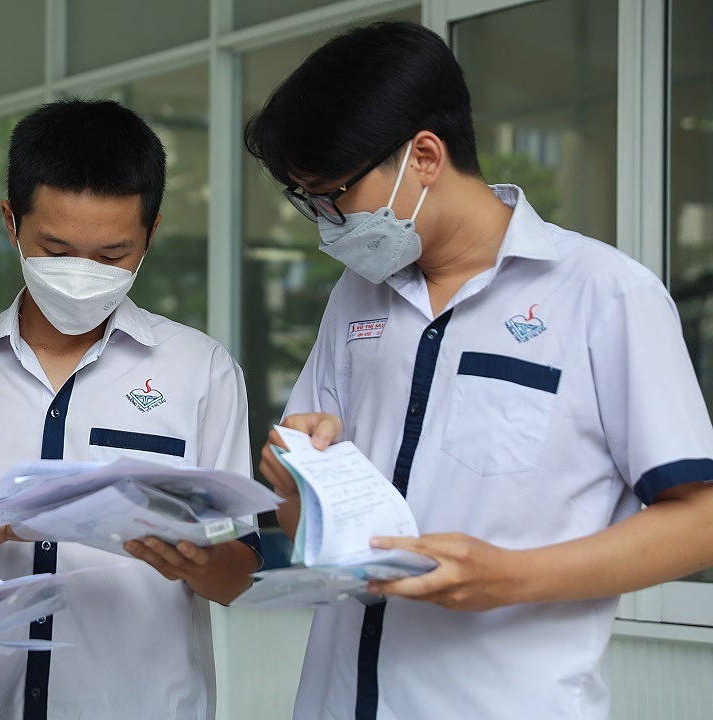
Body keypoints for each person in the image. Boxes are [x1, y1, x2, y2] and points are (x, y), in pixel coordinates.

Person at [245, 20, 713, 720]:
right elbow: (305, 521)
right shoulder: (356, 298)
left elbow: (700, 518)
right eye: (306, 199)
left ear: (424, 157)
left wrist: (511, 577)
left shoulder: (603, 295)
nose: (324, 221)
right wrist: (298, 476)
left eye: (333, 194)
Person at [0, 98, 260, 720]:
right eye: (55, 249)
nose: (82, 274)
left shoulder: (199, 371)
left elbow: (239, 574)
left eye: (112, 255)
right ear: (12, 223)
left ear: (151, 234)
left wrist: (195, 559)